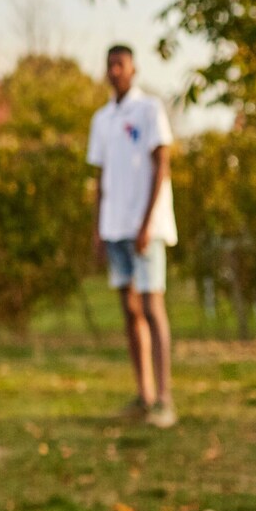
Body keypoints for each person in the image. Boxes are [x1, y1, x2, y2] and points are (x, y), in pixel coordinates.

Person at [87, 43, 177, 429]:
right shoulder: (102, 119)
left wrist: (146, 223)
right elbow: (101, 178)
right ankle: (144, 394)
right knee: (130, 309)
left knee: (153, 307)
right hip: (115, 227)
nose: (114, 70)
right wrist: (98, 227)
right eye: (109, 65)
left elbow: (162, 166)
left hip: (147, 228)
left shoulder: (150, 110)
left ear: (133, 69)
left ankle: (166, 399)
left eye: (120, 64)